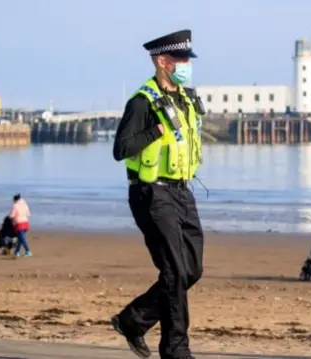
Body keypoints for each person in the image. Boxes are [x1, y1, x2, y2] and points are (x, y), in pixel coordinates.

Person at [110, 29, 206, 359]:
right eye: (180, 59)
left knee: (191, 270)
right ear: (161, 61)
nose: (186, 65)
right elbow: (121, 148)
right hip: (151, 194)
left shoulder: (186, 97)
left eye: (187, 60)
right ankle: (177, 350)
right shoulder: (141, 102)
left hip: (183, 193)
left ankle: (133, 321)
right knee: (176, 272)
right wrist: (157, 129)